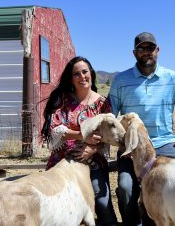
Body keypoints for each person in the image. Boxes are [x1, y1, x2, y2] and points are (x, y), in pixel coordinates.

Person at [108, 32, 175, 226]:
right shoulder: (120, 81)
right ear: (134, 53)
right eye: (142, 49)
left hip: (165, 143)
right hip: (132, 147)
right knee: (125, 188)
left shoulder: (173, 78)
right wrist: (122, 144)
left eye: (150, 48)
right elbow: (111, 117)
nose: (146, 52)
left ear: (157, 51)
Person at [41, 56, 118, 226]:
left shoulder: (103, 104)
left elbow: (108, 136)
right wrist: (81, 135)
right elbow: (55, 129)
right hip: (62, 160)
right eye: (76, 74)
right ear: (71, 78)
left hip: (93, 161)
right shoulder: (62, 99)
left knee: (102, 202)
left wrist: (93, 149)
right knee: (55, 203)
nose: (82, 76)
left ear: (91, 73)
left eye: (85, 72)